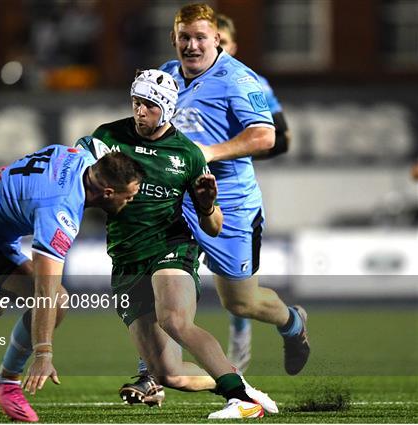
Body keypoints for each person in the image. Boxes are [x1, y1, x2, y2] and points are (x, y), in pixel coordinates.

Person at [122, 4, 310, 418]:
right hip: (176, 204)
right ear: (174, 39)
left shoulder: (239, 79)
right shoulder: (164, 77)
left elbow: (266, 136)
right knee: (162, 288)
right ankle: (152, 373)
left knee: (241, 303)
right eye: (185, 37)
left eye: (200, 37)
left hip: (232, 206)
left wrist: (207, 152)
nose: (192, 45)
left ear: (216, 40)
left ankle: (291, 322)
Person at [77, 69, 278, 419]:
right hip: (126, 257)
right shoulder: (108, 137)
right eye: (137, 103)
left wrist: (207, 205)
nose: (140, 111)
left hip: (171, 246)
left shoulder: (186, 154)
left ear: (168, 109)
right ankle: (237, 384)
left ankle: (243, 403)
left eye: (150, 106)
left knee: (174, 320)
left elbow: (213, 228)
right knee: (170, 374)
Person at [0, 146, 144, 422]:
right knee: (57, 300)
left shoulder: (81, 157)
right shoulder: (59, 209)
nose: (130, 201)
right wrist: (43, 352)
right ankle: (6, 381)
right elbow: (44, 291)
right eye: (128, 197)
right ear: (107, 192)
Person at [217, 12, 292, 371]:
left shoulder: (250, 82)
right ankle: (149, 371)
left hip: (233, 195)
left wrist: (235, 152)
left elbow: (280, 139)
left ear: (232, 46)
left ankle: (244, 340)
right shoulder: (178, 78)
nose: (212, 48)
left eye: (221, 42)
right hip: (183, 195)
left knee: (240, 297)